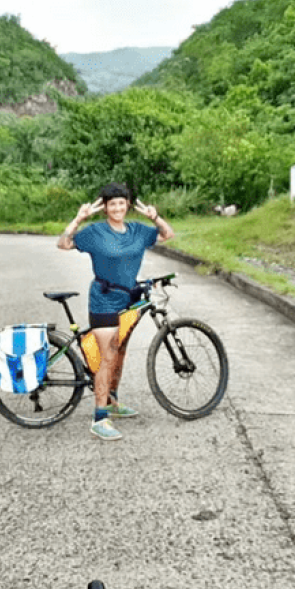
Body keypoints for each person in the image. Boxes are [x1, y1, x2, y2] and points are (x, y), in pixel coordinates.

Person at [57, 182, 174, 440]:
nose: (118, 208)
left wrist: (155, 217)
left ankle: (112, 401)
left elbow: (167, 234)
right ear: (106, 208)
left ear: (127, 206)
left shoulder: (137, 231)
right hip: (104, 300)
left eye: (122, 203)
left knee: (119, 353)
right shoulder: (95, 232)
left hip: (128, 298)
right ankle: (99, 418)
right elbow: (63, 244)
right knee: (108, 357)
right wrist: (78, 219)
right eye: (113, 204)